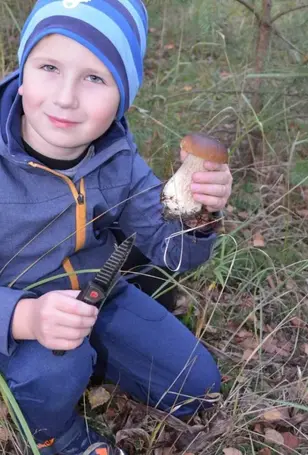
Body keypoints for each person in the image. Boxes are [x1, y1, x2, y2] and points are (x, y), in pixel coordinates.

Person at [0, 1, 233, 454]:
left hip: (97, 296)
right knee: (53, 372)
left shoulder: (117, 158)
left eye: (94, 78)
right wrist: (24, 317)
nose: (66, 97)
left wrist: (199, 214)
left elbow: (174, 254)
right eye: (49, 66)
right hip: (16, 323)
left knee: (198, 388)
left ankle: (96, 359)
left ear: (124, 94)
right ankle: (58, 439)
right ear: (23, 67)